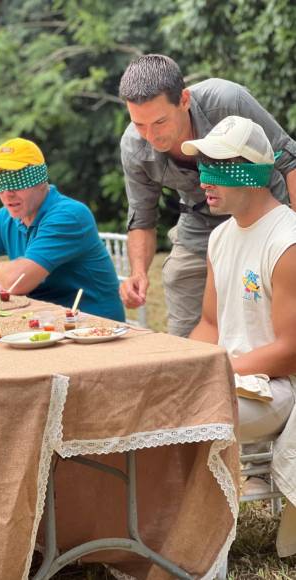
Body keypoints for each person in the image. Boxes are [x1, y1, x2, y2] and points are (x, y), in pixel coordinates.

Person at [118, 54, 296, 337]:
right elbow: (142, 217)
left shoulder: (226, 101)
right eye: (139, 124)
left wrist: (291, 229)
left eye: (160, 121)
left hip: (262, 213)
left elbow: (289, 160)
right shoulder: (133, 147)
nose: (150, 135)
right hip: (201, 220)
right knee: (179, 277)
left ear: (184, 100)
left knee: (262, 310)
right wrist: (138, 272)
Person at [184, 116, 296, 521]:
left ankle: (192, 530)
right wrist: (180, 365)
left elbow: (289, 353)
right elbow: (210, 324)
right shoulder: (220, 236)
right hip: (230, 378)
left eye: (216, 169)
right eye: (203, 169)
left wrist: (212, 370)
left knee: (185, 413)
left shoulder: (287, 242)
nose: (203, 182)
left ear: (251, 175)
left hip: (277, 390)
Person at [0, 137, 125, 321]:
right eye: (0, 183)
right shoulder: (5, 217)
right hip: (42, 320)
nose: (7, 193)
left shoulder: (69, 216)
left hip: (93, 324)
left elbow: (17, 283)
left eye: (17, 181)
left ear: (41, 180)